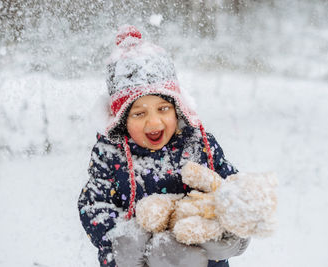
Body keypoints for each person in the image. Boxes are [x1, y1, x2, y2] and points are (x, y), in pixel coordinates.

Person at [78, 25, 250, 267]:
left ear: (177, 108)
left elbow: (230, 184)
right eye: (139, 113)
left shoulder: (199, 144)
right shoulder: (110, 154)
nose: (154, 121)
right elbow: (95, 204)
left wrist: (231, 221)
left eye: (163, 108)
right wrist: (118, 247)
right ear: (122, 121)